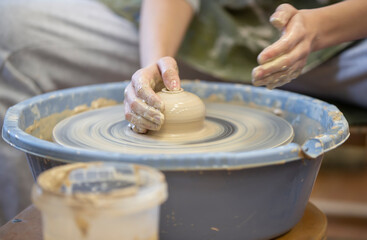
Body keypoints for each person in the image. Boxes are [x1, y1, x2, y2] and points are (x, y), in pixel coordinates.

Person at [0, 0, 366, 225]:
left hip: (340, 41)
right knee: (10, 26)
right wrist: (156, 63)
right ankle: (35, 226)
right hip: (206, 30)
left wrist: (322, 27)